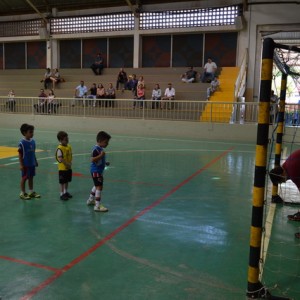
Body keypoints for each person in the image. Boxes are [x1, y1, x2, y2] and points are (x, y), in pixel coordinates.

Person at [269, 149, 300, 239]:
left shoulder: (292, 171)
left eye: (281, 180)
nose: (283, 182)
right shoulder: (287, 166)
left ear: (281, 174)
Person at [86, 131, 111, 212]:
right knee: (99, 187)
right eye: (106, 142)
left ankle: (90, 200)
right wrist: (101, 155)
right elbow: (92, 159)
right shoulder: (96, 149)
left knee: (96, 185)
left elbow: (99, 160)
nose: (107, 144)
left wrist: (105, 163)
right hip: (96, 171)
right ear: (100, 141)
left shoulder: (100, 149)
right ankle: (97, 206)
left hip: (98, 171)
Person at [18, 123, 40, 200]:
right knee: (24, 178)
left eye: (32, 132)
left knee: (31, 177)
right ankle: (22, 193)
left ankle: (31, 192)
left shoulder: (33, 142)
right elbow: (20, 154)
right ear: (24, 133)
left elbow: (33, 152)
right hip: (25, 164)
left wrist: (35, 160)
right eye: (30, 132)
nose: (32, 133)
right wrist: (21, 164)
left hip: (32, 164)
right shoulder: (22, 143)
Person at [55, 131, 73, 201]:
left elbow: (70, 156)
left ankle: (65, 192)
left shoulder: (69, 147)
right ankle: (61, 194)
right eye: (65, 139)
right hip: (62, 168)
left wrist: (70, 163)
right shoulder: (60, 148)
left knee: (67, 181)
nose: (67, 140)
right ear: (60, 140)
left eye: (67, 139)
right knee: (62, 182)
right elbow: (60, 158)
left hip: (68, 167)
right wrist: (67, 164)